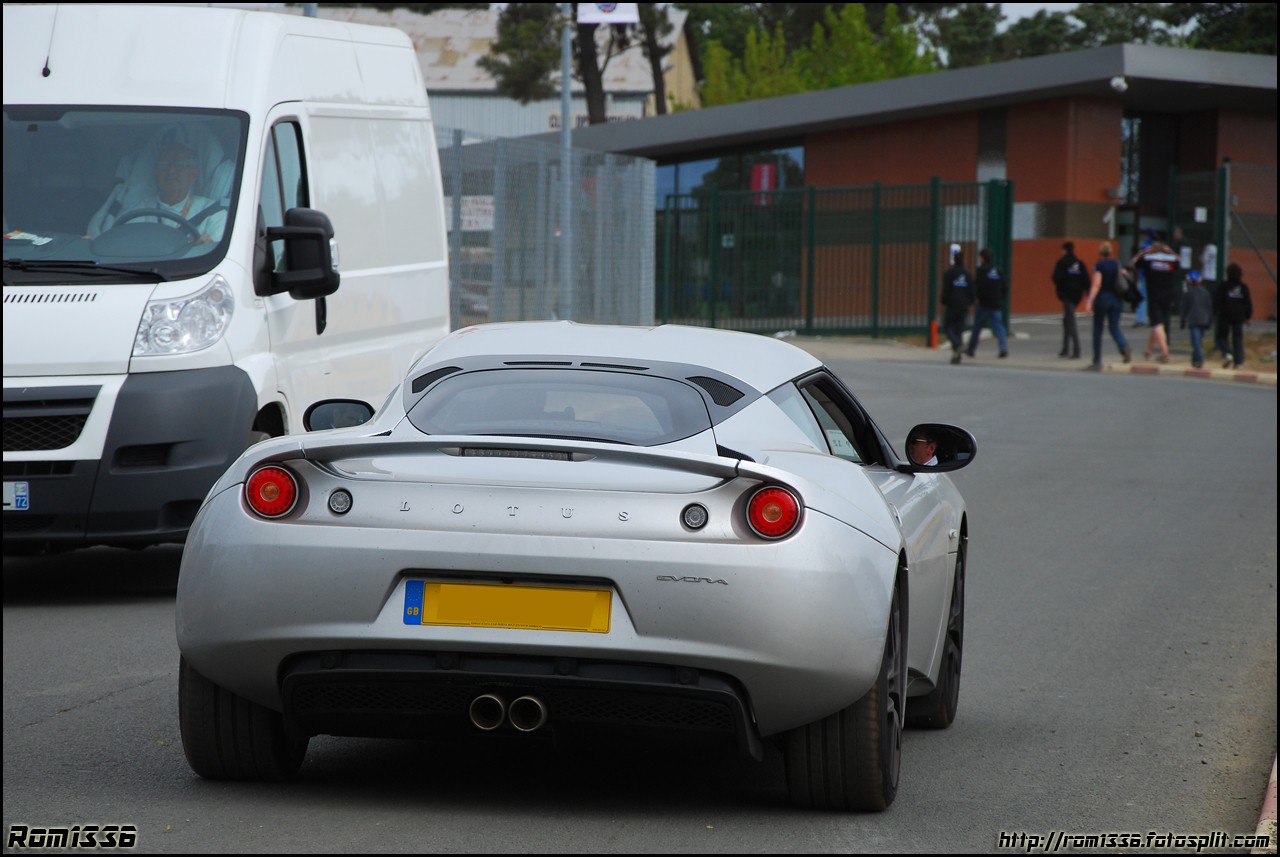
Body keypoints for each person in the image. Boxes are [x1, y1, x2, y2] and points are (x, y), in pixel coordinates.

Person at [86, 141, 226, 244]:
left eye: (179, 166)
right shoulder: (139, 210)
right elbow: (124, 246)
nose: (171, 171)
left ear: (193, 174)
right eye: (164, 165)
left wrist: (207, 245)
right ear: (156, 173)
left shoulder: (213, 213)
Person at [1083, 241, 1133, 370]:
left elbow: (1096, 284)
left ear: (1100, 253)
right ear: (1110, 253)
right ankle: (1124, 346)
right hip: (1117, 300)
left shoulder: (1099, 266)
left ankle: (1097, 361)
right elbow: (1124, 277)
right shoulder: (1117, 264)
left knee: (1098, 330)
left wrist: (1089, 301)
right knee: (1114, 327)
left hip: (1103, 299)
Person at [1131, 240, 1179, 363]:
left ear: (1152, 248)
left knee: (1157, 324)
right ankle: (1148, 350)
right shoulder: (1171, 260)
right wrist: (1171, 251)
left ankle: (1165, 353)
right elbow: (1180, 261)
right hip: (1168, 296)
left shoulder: (1148, 259)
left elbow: (1133, 263)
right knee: (1158, 323)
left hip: (1154, 296)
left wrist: (1143, 251)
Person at [965, 248, 1009, 358]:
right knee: (999, 327)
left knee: (977, 328)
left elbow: (977, 286)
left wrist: (978, 297)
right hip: (996, 304)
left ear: (982, 257)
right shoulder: (998, 270)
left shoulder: (981, 270)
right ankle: (1003, 348)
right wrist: (1000, 298)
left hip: (984, 304)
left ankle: (971, 349)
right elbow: (1005, 287)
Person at [1052, 241, 1089, 359]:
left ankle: (1076, 350)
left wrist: (1061, 290)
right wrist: (1087, 295)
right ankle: (1065, 348)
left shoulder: (1062, 262)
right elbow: (1086, 280)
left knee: (1071, 321)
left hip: (1067, 295)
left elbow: (1056, 277)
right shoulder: (1079, 263)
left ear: (1064, 250)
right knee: (1066, 320)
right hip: (1077, 296)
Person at [1215, 263, 1253, 369]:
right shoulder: (1243, 287)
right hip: (1239, 316)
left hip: (1225, 315)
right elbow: (1248, 303)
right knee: (1238, 338)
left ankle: (1227, 353)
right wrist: (1248, 316)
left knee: (1222, 336)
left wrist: (1215, 312)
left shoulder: (1224, 286)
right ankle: (1239, 362)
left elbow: (1217, 300)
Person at [940, 244, 973, 365]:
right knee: (958, 330)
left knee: (948, 328)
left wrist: (944, 301)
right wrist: (969, 302)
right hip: (963, 306)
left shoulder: (949, 273)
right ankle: (957, 353)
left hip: (952, 305)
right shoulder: (967, 274)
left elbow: (946, 289)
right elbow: (971, 290)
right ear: (963, 260)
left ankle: (957, 349)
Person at [1179, 269, 1213, 369]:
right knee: (1198, 340)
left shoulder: (1188, 293)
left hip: (1193, 320)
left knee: (1196, 341)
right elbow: (1209, 307)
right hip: (1203, 319)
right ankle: (1195, 359)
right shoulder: (1205, 292)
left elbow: (1184, 308)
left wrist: (1182, 321)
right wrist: (1210, 320)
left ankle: (1199, 360)